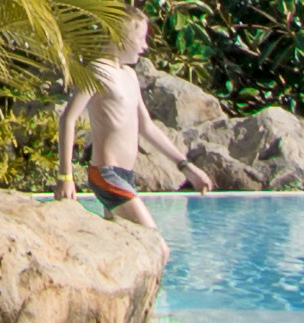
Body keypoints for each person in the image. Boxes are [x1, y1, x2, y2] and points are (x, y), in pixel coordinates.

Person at [56, 13, 214, 234]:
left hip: (126, 175)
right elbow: (68, 119)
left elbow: (147, 127)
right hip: (106, 174)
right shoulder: (98, 71)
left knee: (120, 241)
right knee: (153, 240)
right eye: (140, 38)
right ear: (120, 37)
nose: (145, 45)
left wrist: (187, 167)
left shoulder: (129, 75)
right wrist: (66, 177)